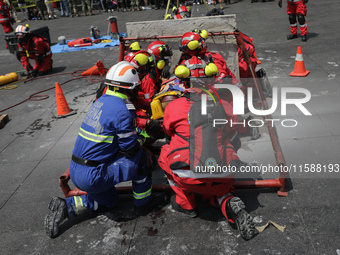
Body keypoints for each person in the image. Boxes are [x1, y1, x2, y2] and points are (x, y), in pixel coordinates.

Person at [44, 61, 168, 238]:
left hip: (77, 169)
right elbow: (130, 149)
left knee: (110, 203)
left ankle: (66, 207)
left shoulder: (101, 101)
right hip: (94, 175)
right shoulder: (124, 109)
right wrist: (148, 135)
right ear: (129, 88)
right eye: (135, 88)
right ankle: (144, 204)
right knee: (142, 158)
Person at [157, 74, 258, 240]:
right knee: (219, 185)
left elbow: (167, 131)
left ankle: (186, 204)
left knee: (164, 153)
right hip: (222, 174)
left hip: (188, 176)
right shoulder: (223, 105)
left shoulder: (174, 106)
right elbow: (234, 139)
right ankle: (227, 200)